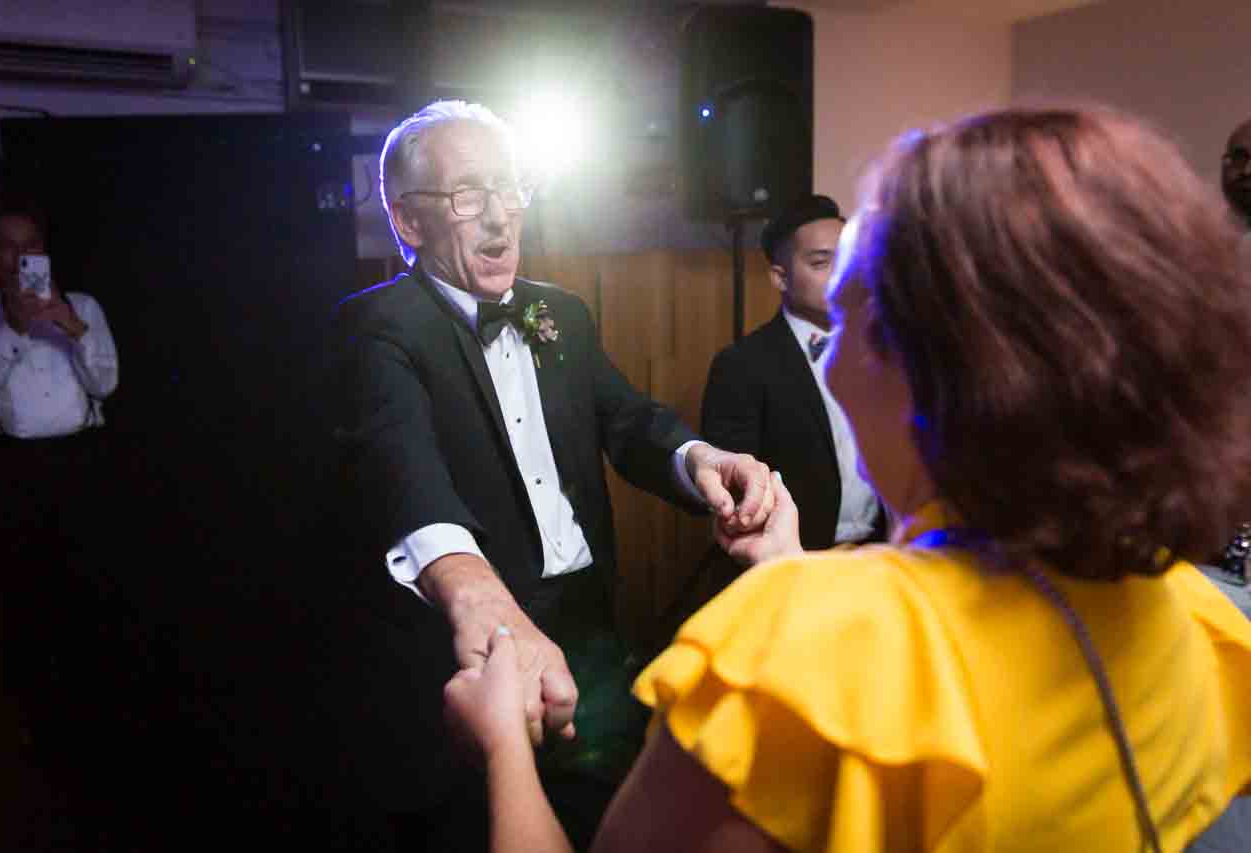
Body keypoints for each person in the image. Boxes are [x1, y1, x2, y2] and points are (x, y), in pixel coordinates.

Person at [443, 106, 1251, 852]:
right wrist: (797, 570)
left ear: (927, 367)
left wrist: (502, 746)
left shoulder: (796, 642)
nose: (829, 354)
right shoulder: (1208, 620)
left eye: (851, 314)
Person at [326, 99, 773, 851]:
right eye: (470, 196)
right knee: (482, 819)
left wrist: (699, 459)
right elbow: (400, 465)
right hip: (477, 642)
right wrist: (477, 596)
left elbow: (628, 420)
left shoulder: (558, 310)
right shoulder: (379, 325)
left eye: (511, 189)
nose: (501, 218)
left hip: (592, 624)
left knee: (612, 818)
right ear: (408, 222)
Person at [0, 201, 120, 757]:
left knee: (87, 587)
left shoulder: (81, 306)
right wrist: (10, 329)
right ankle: (32, 717)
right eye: (8, 245)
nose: (21, 256)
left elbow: (106, 384)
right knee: (23, 596)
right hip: (13, 472)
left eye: (31, 244)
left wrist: (71, 326)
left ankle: (94, 705)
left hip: (79, 465)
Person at [701, 194, 883, 549]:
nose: (845, 274)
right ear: (780, 278)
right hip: (797, 560)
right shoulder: (741, 365)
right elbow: (735, 490)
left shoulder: (885, 351)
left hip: (885, 556)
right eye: (821, 263)